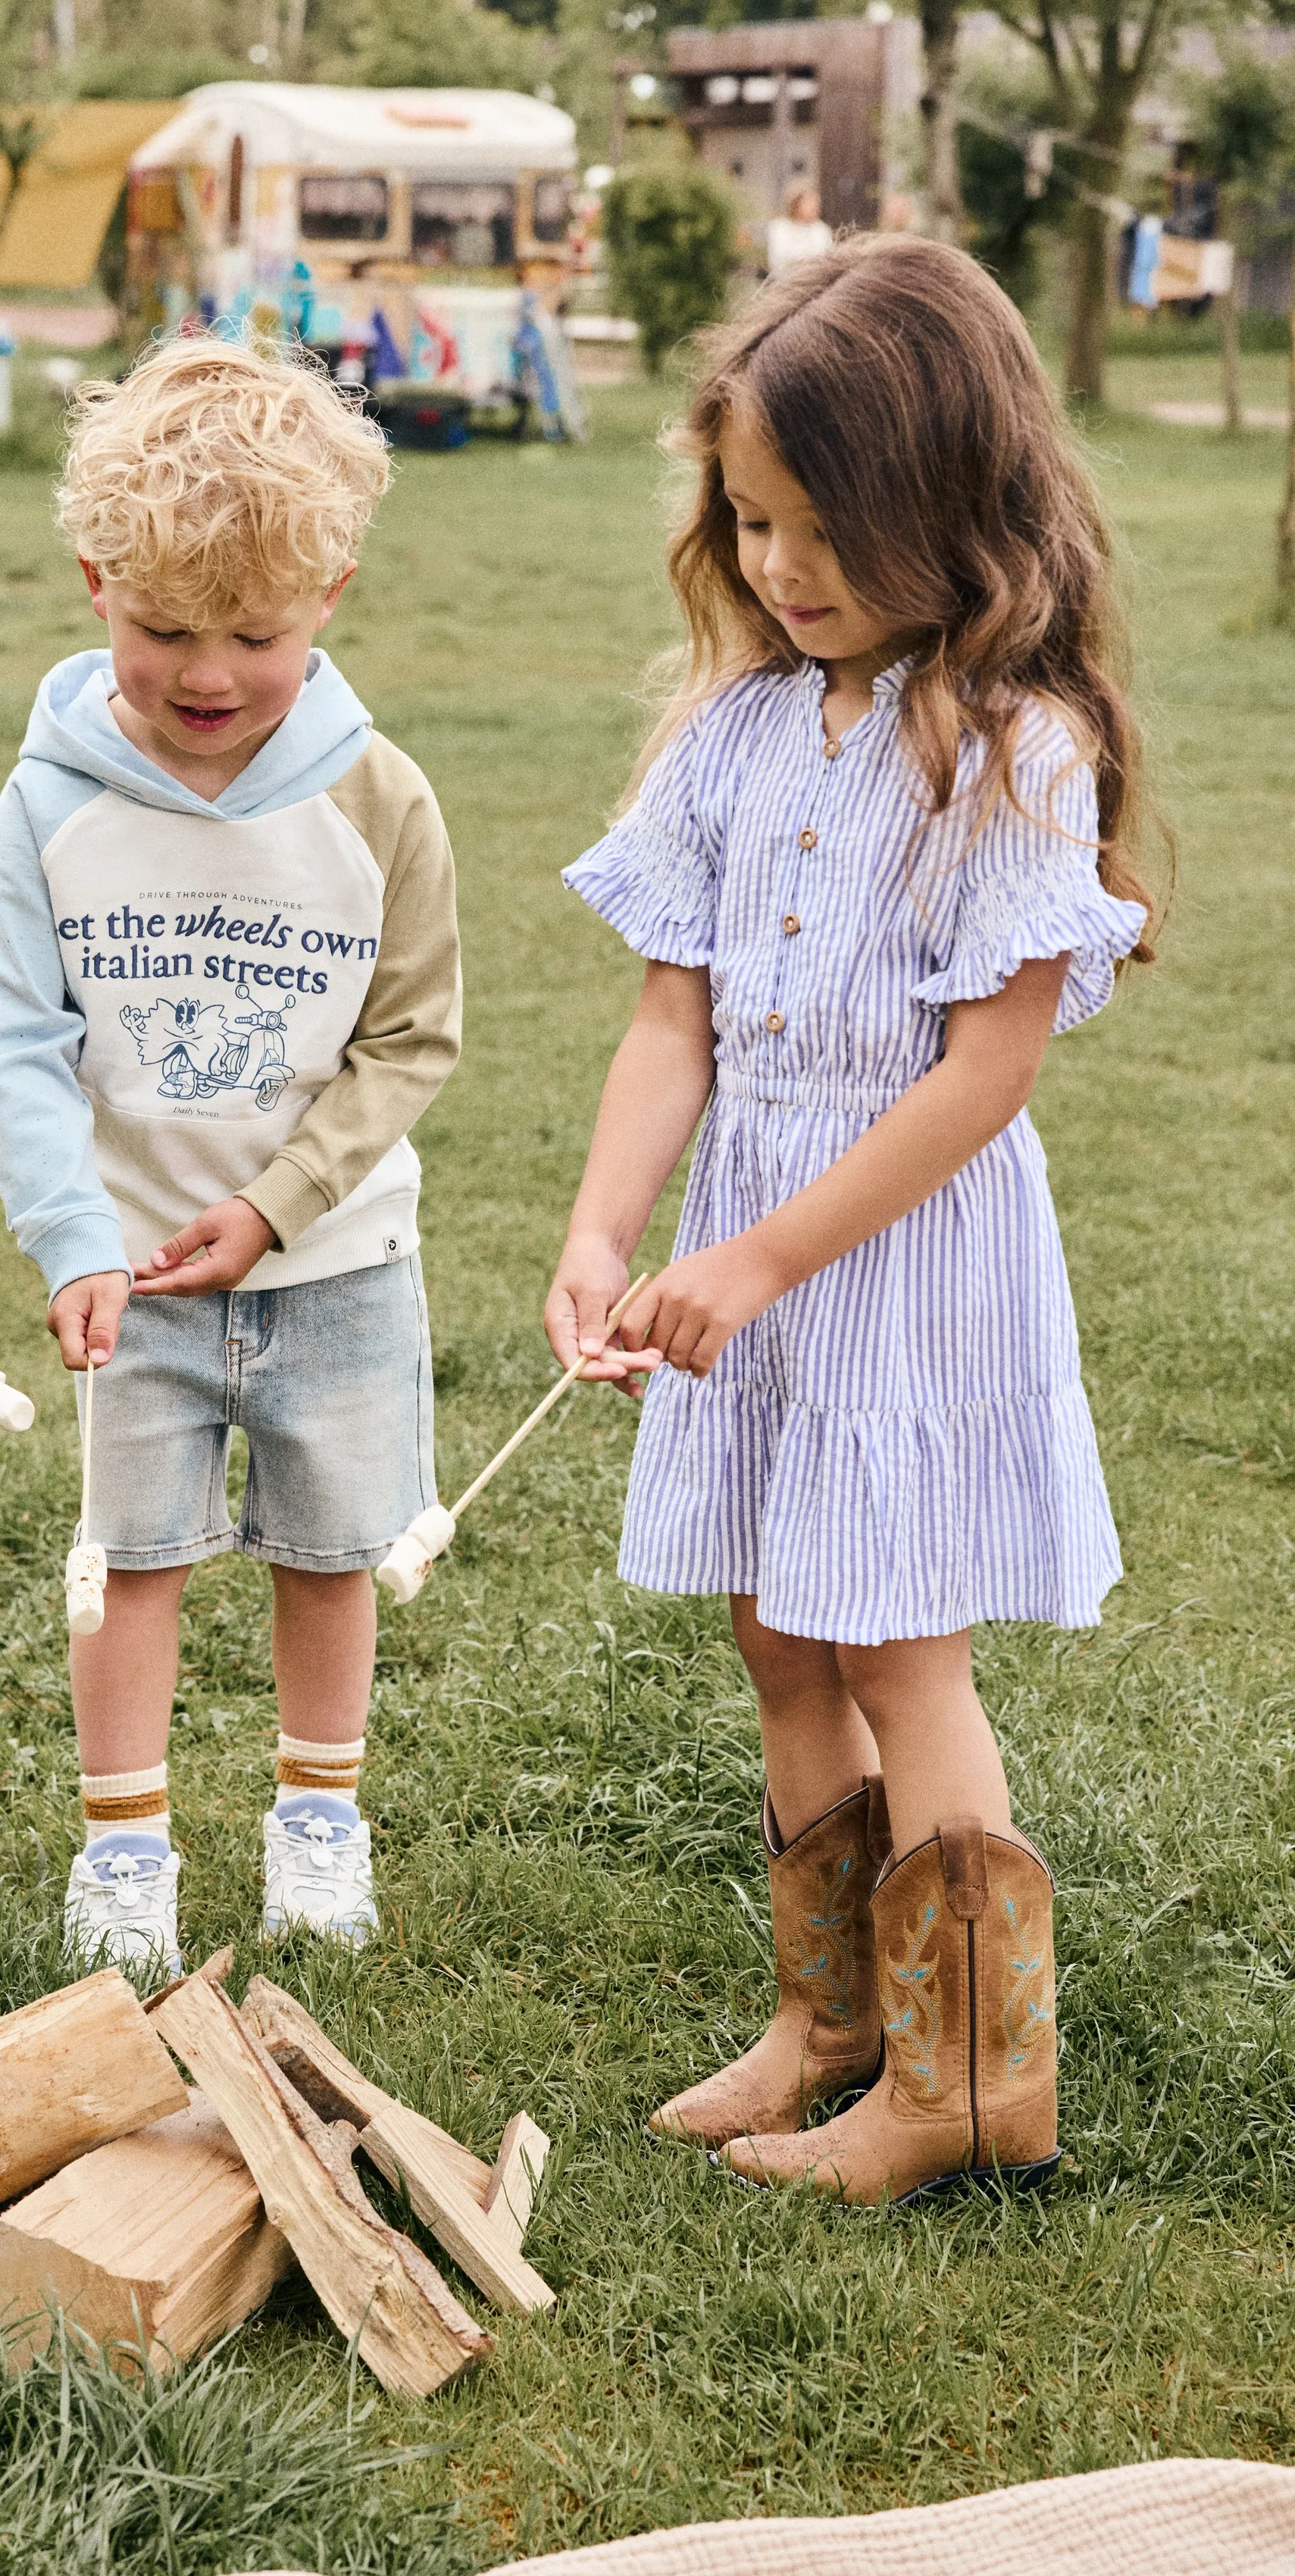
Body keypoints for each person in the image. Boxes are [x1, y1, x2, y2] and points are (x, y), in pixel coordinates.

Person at [546, 236, 1159, 2205]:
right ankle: (835, 2022)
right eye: (751, 523)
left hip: (903, 1255)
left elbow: (985, 1077)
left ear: (952, 508)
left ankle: (973, 2082)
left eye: (826, 528)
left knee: (900, 1648)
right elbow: (676, 1017)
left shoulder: (1011, 751)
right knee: (780, 1630)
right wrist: (605, 1225)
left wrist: (762, 1256)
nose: (784, 568)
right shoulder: (737, 732)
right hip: (755, 1248)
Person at [0, 335, 461, 1975]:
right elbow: (13, 1038)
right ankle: (125, 1849)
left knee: (330, 1553)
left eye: (253, 631)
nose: (208, 671)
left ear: (332, 591)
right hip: (134, 1283)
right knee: (130, 1561)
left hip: (337, 1265)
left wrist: (276, 1204)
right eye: (164, 627)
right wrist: (72, 1239)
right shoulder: (47, 804)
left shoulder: (383, 801)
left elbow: (407, 1041)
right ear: (96, 577)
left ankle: (319, 1818)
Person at [765, 185, 834, 277]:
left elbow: (825, 259)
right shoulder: (779, 228)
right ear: (796, 204)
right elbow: (779, 259)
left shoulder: (822, 230)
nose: (814, 208)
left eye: (816, 204)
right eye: (809, 203)